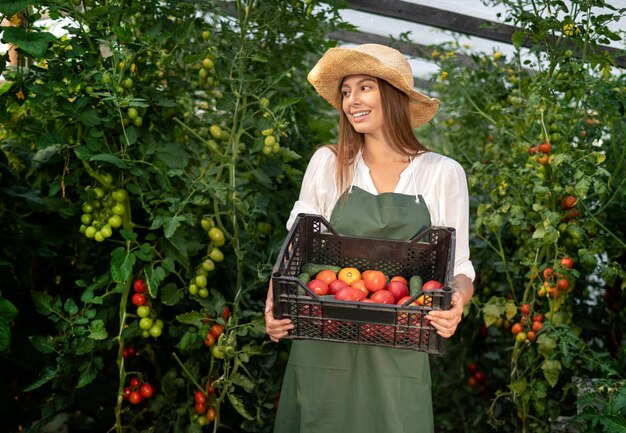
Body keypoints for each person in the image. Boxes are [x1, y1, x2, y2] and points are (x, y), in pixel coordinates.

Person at [264, 43, 475, 433]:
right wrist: (274, 302)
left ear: (392, 95)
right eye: (345, 92)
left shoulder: (441, 173)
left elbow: (460, 268)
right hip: (322, 342)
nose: (351, 101)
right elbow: (295, 247)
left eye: (364, 88)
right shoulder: (330, 164)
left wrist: (458, 300)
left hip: (397, 350)